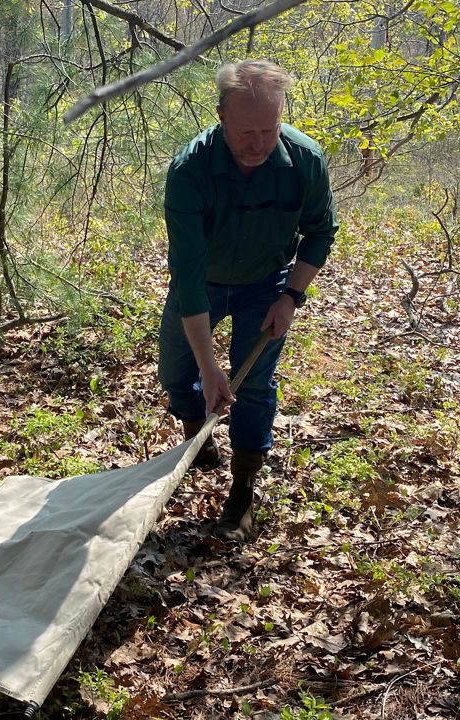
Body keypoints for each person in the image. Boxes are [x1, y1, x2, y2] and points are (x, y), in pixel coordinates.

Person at [159, 60, 338, 542]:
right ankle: (198, 437)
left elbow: (321, 231)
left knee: (253, 382)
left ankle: (243, 487)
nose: (259, 143)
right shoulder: (190, 170)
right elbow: (189, 278)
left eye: (270, 129)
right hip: (205, 281)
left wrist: (291, 298)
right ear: (220, 116)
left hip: (267, 281)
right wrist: (206, 366)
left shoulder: (304, 161)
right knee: (179, 372)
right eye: (246, 132)